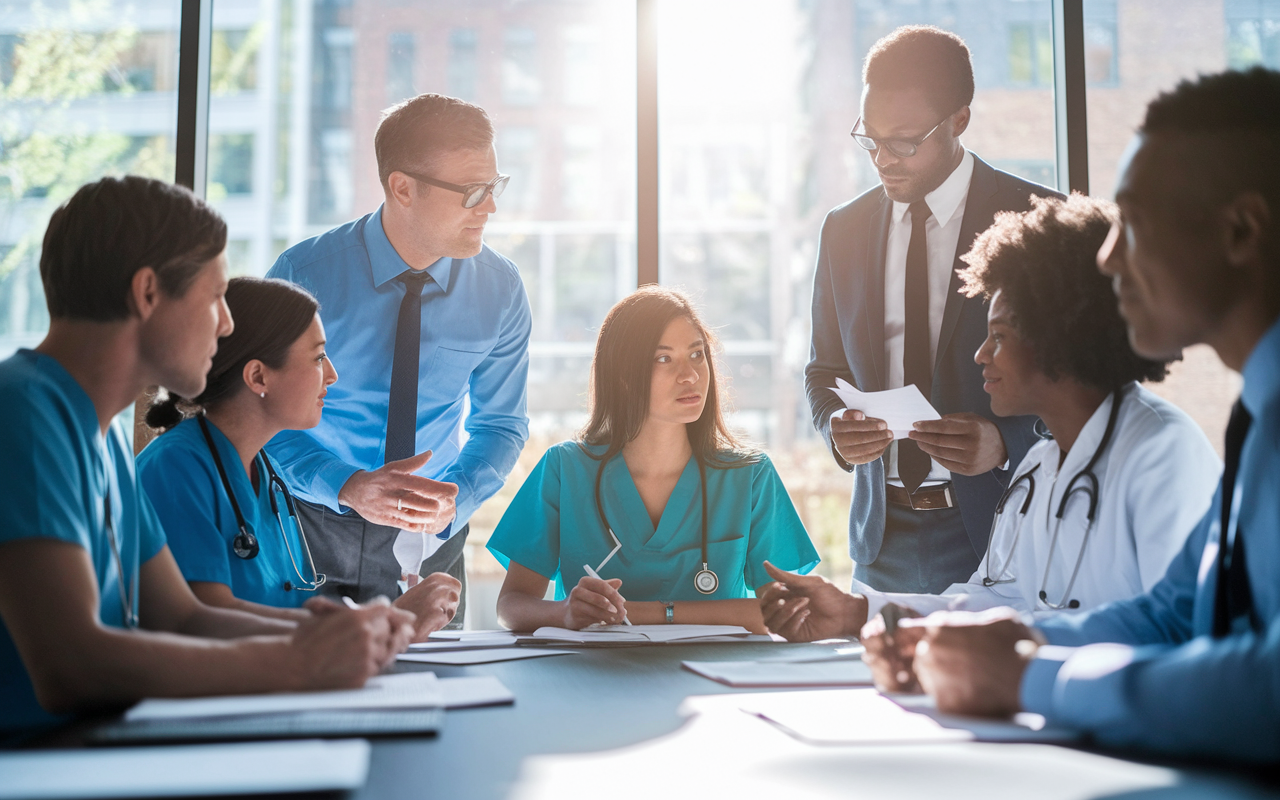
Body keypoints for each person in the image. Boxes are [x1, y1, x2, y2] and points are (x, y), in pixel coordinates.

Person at [863, 67, 1280, 764]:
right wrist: (985, 646)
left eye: (1134, 226)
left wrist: (1033, 676)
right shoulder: (1257, 423)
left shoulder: (1173, 443)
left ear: (1240, 231)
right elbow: (1175, 613)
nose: (1110, 259)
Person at [0, 177, 413, 737]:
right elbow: (71, 666)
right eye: (215, 296)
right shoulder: (23, 413)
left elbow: (182, 616)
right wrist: (297, 663)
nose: (226, 324)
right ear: (147, 294)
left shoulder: (102, 441)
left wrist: (343, 637)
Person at [759, 195, 1220, 651]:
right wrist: (855, 613)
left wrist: (1018, 659)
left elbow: (1177, 630)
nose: (982, 355)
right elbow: (994, 601)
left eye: (999, 336)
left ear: (1061, 338)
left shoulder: (1163, 452)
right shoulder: (1040, 464)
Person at [808, 25, 1059, 594]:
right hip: (881, 542)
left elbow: (1086, 381)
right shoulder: (843, 230)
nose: (882, 159)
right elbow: (822, 371)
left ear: (959, 120)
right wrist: (835, 431)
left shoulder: (1039, 219)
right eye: (870, 138)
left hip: (1004, 528)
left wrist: (1008, 443)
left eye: (904, 141)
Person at [265, 93, 532, 625]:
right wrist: (344, 484)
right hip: (310, 522)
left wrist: (457, 495)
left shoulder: (500, 289)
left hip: (434, 532)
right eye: (473, 191)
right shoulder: (304, 275)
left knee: (442, 691)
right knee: (312, 686)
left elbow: (501, 424)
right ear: (402, 188)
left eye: (495, 186)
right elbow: (261, 417)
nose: (491, 207)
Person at [137, 277, 460, 639]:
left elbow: (290, 606)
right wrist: (387, 621)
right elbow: (205, 619)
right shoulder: (175, 470)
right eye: (318, 357)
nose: (332, 375)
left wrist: (381, 620)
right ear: (259, 376)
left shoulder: (266, 473)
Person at [487, 287, 819, 632]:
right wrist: (564, 612)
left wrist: (645, 613)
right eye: (664, 359)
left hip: (716, 675)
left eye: (697, 354)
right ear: (623, 376)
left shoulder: (749, 476)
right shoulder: (564, 469)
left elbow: (783, 612)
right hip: (594, 673)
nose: (690, 375)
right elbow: (511, 607)